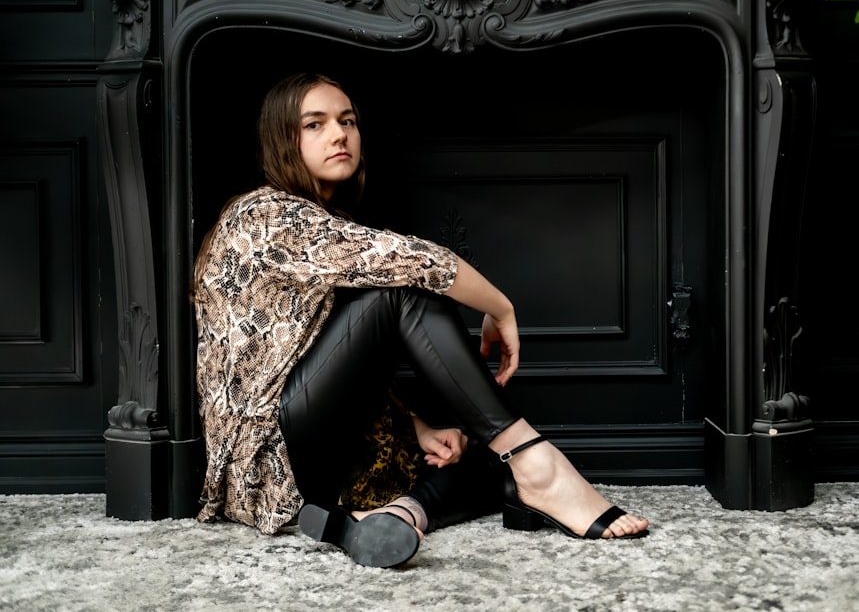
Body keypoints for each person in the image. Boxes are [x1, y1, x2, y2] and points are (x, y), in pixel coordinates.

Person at [190, 72, 649, 567]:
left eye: (347, 120)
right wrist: (501, 307)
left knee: (474, 457)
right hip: (272, 455)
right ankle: (537, 460)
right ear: (282, 141)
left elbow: (320, 352)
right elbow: (416, 261)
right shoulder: (263, 215)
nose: (340, 134)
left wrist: (417, 428)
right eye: (314, 125)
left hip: (317, 442)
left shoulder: (322, 224)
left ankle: (401, 514)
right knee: (404, 291)